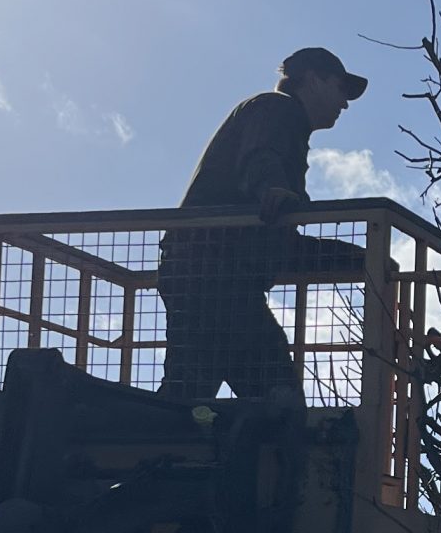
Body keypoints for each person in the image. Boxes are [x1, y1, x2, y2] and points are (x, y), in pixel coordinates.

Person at [157, 46, 369, 402]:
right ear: (313, 80)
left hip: (207, 273)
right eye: (340, 88)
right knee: (275, 397)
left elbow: (277, 239)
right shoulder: (277, 109)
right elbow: (260, 159)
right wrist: (273, 187)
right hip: (215, 276)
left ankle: (149, 430)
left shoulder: (279, 122)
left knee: (189, 397)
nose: (345, 103)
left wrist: (359, 258)